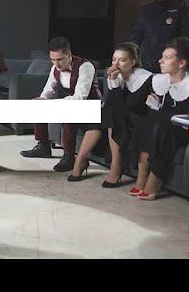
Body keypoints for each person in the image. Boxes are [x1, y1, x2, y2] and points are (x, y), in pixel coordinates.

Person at [65, 42, 153, 185]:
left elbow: (129, 106)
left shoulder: (146, 78)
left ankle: (116, 165)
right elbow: (112, 104)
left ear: (133, 62)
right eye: (114, 59)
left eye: (122, 60)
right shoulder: (116, 76)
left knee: (111, 114)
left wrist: (114, 83)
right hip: (120, 115)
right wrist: (113, 81)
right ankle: (80, 160)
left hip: (140, 117)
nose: (116, 64)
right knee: (101, 114)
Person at [131, 36, 189, 200]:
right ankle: (141, 178)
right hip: (160, 126)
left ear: (182, 63)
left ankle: (154, 182)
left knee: (163, 129)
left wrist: (158, 109)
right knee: (144, 123)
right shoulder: (158, 79)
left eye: (166, 58)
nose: (160, 61)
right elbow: (135, 105)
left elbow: (187, 122)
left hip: (179, 131)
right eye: (162, 57)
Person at [20, 36, 102, 172]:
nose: (56, 64)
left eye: (59, 59)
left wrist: (52, 104)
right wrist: (42, 99)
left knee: (68, 113)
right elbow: (49, 89)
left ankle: (69, 157)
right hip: (69, 103)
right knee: (40, 105)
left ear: (69, 54)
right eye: (53, 60)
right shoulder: (55, 68)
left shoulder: (85, 66)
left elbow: (79, 98)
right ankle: (43, 146)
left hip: (91, 106)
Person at [129, 0, 189, 71]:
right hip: (147, 60)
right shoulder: (146, 10)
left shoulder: (182, 6)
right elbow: (137, 35)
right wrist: (132, 54)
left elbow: (188, 32)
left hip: (170, 59)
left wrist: (179, 53)